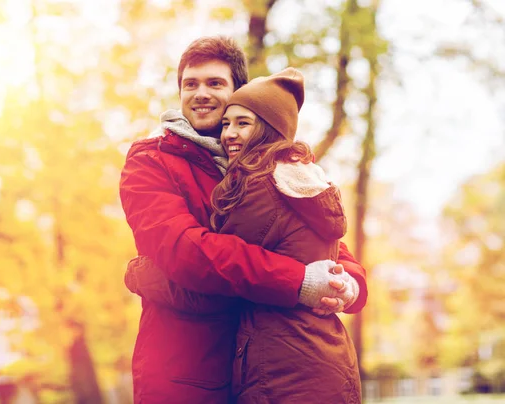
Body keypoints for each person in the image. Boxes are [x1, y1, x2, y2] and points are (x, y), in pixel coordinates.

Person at [119, 36, 367, 403]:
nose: (201, 93)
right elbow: (186, 252)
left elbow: (312, 239)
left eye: (215, 83)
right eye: (191, 84)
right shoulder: (151, 160)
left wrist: (350, 282)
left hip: (259, 369)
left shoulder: (260, 166)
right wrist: (299, 281)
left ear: (237, 91)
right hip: (187, 374)